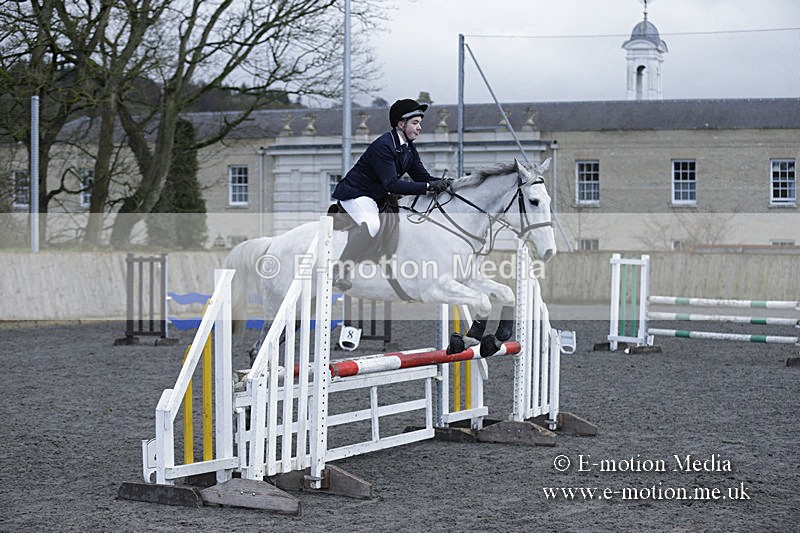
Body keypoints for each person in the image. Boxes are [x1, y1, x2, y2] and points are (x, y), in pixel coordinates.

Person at [331, 98, 450, 291]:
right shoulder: (384, 145)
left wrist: (447, 184)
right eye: (415, 123)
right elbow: (392, 184)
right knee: (372, 223)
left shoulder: (408, 147)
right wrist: (429, 185)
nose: (420, 127)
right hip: (357, 194)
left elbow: (422, 176)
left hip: (376, 196)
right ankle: (340, 269)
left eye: (420, 123)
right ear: (401, 124)